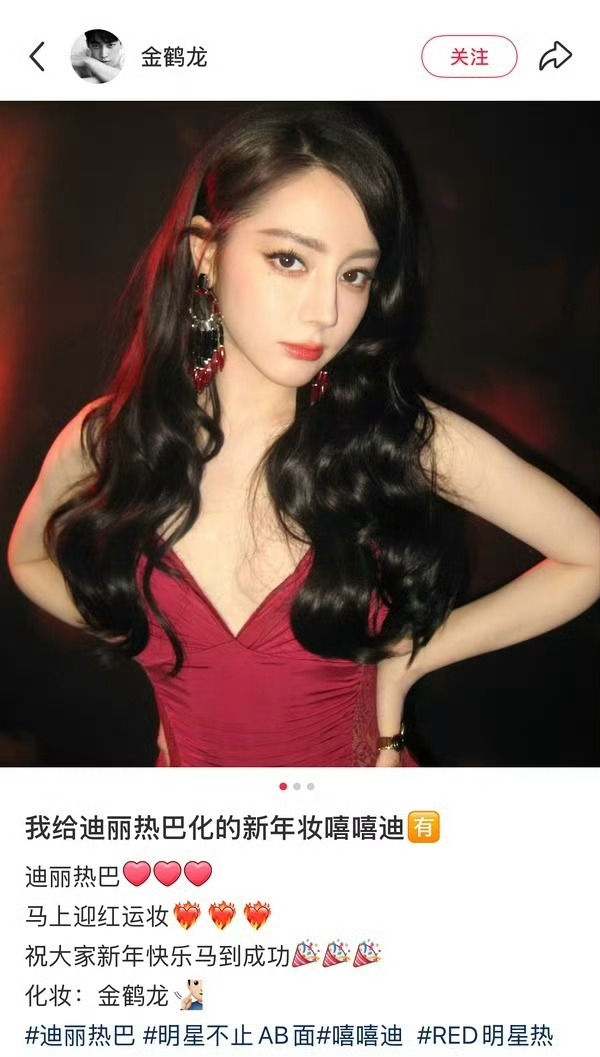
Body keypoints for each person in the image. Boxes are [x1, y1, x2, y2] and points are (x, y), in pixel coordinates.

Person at [7, 104, 600, 768]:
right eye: (289, 259)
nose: (326, 311)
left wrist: (406, 660)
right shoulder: (113, 438)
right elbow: (28, 561)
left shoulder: (392, 438)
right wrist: (148, 643)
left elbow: (589, 555)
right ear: (205, 255)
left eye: (354, 274)